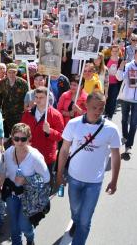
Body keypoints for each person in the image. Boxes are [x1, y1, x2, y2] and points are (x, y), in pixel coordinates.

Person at [56, 92, 121, 244]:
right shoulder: (73, 124)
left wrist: (114, 181)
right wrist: (59, 174)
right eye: (94, 108)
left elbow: (116, 156)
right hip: (74, 178)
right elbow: (64, 150)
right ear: (86, 106)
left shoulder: (111, 129)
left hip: (94, 182)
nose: (98, 111)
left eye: (101, 108)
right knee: (76, 211)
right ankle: (75, 221)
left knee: (85, 220)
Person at [3, 123, 50, 245]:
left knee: (24, 225)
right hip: (12, 194)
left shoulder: (35, 157)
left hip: (29, 196)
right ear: (12, 138)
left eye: (23, 139)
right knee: (14, 226)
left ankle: (30, 237)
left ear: (29, 139)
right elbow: (6, 171)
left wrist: (26, 180)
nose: (19, 142)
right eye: (16, 139)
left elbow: (46, 178)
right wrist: (0, 183)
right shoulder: (8, 153)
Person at [21, 87, 64, 183]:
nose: (38, 100)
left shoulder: (56, 115)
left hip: (46, 156)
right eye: (36, 97)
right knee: (29, 183)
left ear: (48, 98)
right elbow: (21, 131)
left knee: (45, 183)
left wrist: (50, 131)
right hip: (29, 155)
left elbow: (60, 136)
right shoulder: (28, 113)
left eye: (41, 97)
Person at [0, 63, 29, 138]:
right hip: (6, 113)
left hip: (19, 114)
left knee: (18, 134)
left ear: (17, 72)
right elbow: (0, 97)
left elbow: (27, 98)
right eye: (9, 72)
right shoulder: (2, 82)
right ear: (6, 72)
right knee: (7, 135)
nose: (11, 74)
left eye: (14, 72)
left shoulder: (23, 83)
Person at [115, 50, 137, 154]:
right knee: (124, 119)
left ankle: (129, 145)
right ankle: (125, 135)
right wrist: (120, 67)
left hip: (136, 101)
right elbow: (119, 77)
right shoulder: (128, 65)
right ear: (135, 55)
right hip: (125, 98)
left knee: (133, 123)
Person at [104, 45, 123, 119]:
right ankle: (105, 114)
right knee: (106, 99)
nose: (114, 52)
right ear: (111, 52)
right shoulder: (106, 59)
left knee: (112, 100)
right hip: (106, 83)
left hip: (115, 84)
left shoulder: (120, 61)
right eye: (113, 51)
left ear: (118, 52)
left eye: (116, 51)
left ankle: (110, 115)